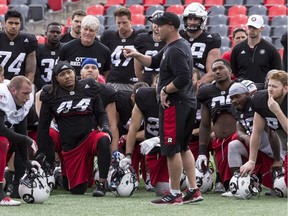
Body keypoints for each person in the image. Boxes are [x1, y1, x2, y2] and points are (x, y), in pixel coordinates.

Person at [121, 12, 202, 205]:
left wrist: (165, 89)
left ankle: (175, 193)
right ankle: (193, 190)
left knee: (172, 148)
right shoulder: (173, 46)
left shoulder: (175, 49)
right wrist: (137, 55)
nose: (155, 28)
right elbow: (154, 62)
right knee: (183, 147)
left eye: (159, 25)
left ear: (171, 26)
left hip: (175, 103)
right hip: (186, 102)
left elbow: (183, 77)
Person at [36, 61, 112, 196]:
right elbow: (43, 125)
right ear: (56, 79)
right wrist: (41, 150)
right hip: (71, 145)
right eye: (62, 74)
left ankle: (102, 183)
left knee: (104, 139)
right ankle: (60, 175)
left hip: (89, 137)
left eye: (69, 72)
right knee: (77, 190)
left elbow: (100, 112)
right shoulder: (51, 93)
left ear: (74, 73)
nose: (67, 76)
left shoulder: (89, 87)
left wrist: (105, 126)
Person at [222, 82, 282, 197]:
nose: (234, 100)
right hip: (255, 149)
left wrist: (277, 158)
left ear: (247, 94)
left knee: (279, 190)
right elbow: (239, 129)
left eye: (237, 96)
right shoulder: (236, 108)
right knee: (233, 145)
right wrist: (245, 136)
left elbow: (272, 133)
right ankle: (238, 183)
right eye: (232, 98)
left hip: (271, 151)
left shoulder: (257, 105)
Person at [240, 70, 287, 187]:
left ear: (285, 89)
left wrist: (277, 111)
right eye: (269, 85)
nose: (270, 89)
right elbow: (256, 132)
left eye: (275, 86)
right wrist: (251, 161)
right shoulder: (261, 99)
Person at [196, 59, 237, 192]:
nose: (217, 72)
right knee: (228, 186)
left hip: (238, 139)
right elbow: (205, 124)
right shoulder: (206, 92)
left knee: (236, 183)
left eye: (220, 68)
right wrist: (202, 152)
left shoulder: (240, 87)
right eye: (214, 70)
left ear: (230, 71)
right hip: (220, 142)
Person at [0, 76, 35, 205]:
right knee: (2, 141)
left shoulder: (25, 100)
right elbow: (1, 130)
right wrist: (27, 139)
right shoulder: (2, 96)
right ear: (13, 91)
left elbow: (21, 130)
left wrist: (26, 161)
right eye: (25, 93)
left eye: (29, 93)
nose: (27, 97)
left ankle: (14, 188)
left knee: (13, 141)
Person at [100, 7, 147, 91]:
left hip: (133, 82)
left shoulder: (140, 36)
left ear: (130, 21)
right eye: (118, 23)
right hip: (113, 82)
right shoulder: (108, 37)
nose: (121, 26)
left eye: (124, 23)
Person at [230, 15, 282, 85]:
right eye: (250, 27)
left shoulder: (271, 49)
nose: (251, 29)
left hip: (262, 88)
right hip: (243, 88)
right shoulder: (237, 49)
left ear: (262, 28)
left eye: (255, 27)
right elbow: (234, 70)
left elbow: (277, 72)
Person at [180, 2, 221, 84]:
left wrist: (197, 84)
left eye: (195, 19)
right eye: (189, 19)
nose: (192, 22)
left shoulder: (211, 39)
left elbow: (212, 72)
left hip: (201, 79)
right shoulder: (179, 36)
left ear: (202, 20)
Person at [0, 9, 38, 82]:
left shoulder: (29, 40)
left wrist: (25, 86)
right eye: (10, 23)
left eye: (16, 23)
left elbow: (30, 71)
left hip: (19, 84)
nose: (14, 26)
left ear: (20, 24)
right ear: (5, 23)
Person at [134, 10, 166, 86]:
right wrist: (145, 84)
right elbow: (138, 70)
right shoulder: (142, 39)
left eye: (161, 24)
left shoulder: (170, 40)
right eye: (156, 23)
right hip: (147, 82)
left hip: (165, 83)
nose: (158, 26)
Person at [35, 22, 63, 91]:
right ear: (45, 34)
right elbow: (35, 73)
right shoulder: (38, 49)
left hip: (61, 89)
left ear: (61, 35)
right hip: (42, 89)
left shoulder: (65, 49)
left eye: (58, 32)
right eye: (52, 32)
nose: (55, 34)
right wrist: (46, 88)